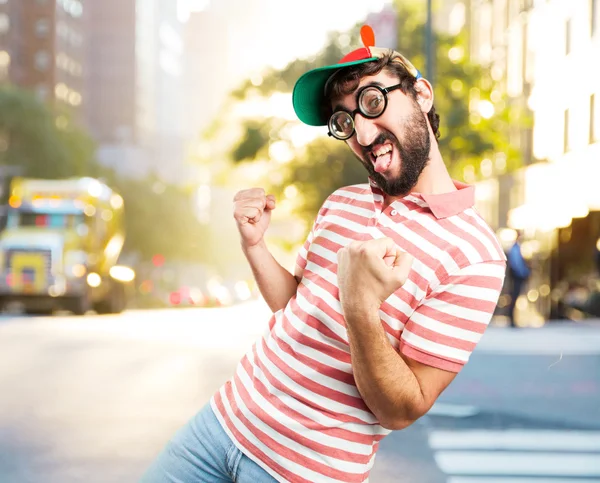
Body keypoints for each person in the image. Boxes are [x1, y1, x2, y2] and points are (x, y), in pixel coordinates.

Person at [140, 26, 507, 483]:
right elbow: (295, 305)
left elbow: (401, 409)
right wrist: (255, 246)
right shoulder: (342, 202)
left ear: (422, 95)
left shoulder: (476, 255)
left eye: (372, 101)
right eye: (345, 122)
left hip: (304, 470)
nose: (364, 133)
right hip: (223, 422)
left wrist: (359, 305)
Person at [506, 230, 530, 327]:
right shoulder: (515, 248)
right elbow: (516, 264)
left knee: (515, 297)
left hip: (517, 275)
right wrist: (524, 273)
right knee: (514, 297)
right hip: (517, 276)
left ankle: (512, 319)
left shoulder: (516, 248)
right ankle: (511, 319)